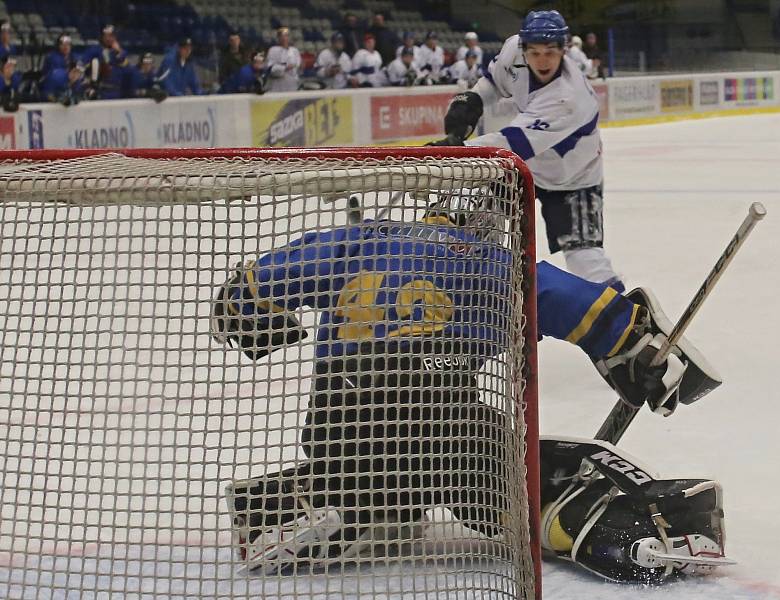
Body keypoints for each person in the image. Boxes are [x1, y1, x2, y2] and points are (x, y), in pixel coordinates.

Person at [213, 192, 724, 582]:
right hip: (442, 424)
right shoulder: (493, 264)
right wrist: (641, 352)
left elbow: (248, 294)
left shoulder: (357, 241)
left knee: (376, 469)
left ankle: (317, 499)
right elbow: (593, 311)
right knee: (514, 481)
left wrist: (258, 320)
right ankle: (593, 522)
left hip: (335, 420)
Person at [429, 10, 622, 289]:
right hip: (527, 168)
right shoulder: (513, 51)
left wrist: (452, 152)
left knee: (583, 256)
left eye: (550, 52)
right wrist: (471, 100)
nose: (542, 60)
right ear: (523, 48)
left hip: (574, 179)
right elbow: (493, 82)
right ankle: (457, 289)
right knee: (475, 229)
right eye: (535, 52)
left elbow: (511, 144)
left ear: (563, 49)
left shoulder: (569, 97)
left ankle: (621, 318)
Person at [82, 25, 133, 99]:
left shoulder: (122, 52)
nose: (108, 38)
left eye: (111, 36)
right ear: (102, 37)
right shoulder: (94, 50)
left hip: (118, 92)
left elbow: (127, 71)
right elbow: (83, 65)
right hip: (101, 91)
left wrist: (119, 52)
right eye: (106, 36)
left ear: (115, 37)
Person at [266, 27, 302, 92]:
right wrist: (285, 68)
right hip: (278, 84)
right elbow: (270, 68)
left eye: (286, 36)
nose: (284, 38)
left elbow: (298, 66)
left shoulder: (295, 51)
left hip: (292, 84)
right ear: (278, 38)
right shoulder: (273, 50)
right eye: (282, 36)